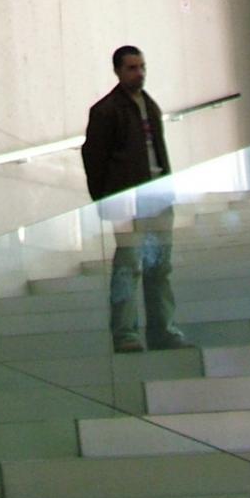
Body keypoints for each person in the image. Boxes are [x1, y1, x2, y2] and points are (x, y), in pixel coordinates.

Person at [81, 45, 188, 353]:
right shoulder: (106, 111)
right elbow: (94, 159)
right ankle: (125, 332)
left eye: (142, 67)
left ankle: (162, 330)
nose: (139, 73)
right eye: (131, 68)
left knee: (160, 267)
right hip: (128, 201)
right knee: (129, 265)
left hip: (158, 196)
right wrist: (105, 200)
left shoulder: (150, 106)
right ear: (117, 71)